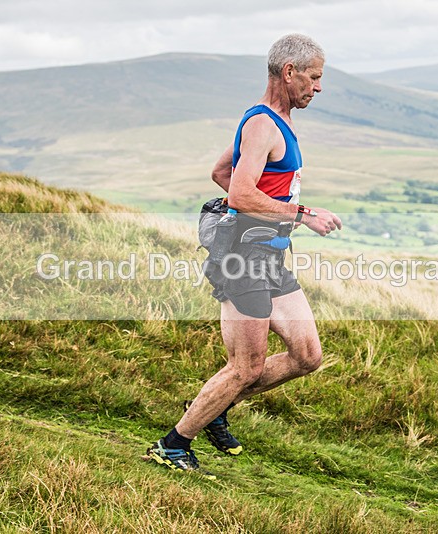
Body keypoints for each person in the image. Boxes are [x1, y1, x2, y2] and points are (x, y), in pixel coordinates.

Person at [147, 33, 342, 477]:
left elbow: (221, 171)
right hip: (244, 260)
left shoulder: (277, 121)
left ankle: (214, 405)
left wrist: (269, 217)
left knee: (307, 355)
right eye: (313, 78)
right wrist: (300, 213)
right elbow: (236, 190)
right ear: (289, 73)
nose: (318, 87)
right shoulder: (262, 125)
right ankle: (173, 445)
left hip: (270, 256)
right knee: (246, 367)